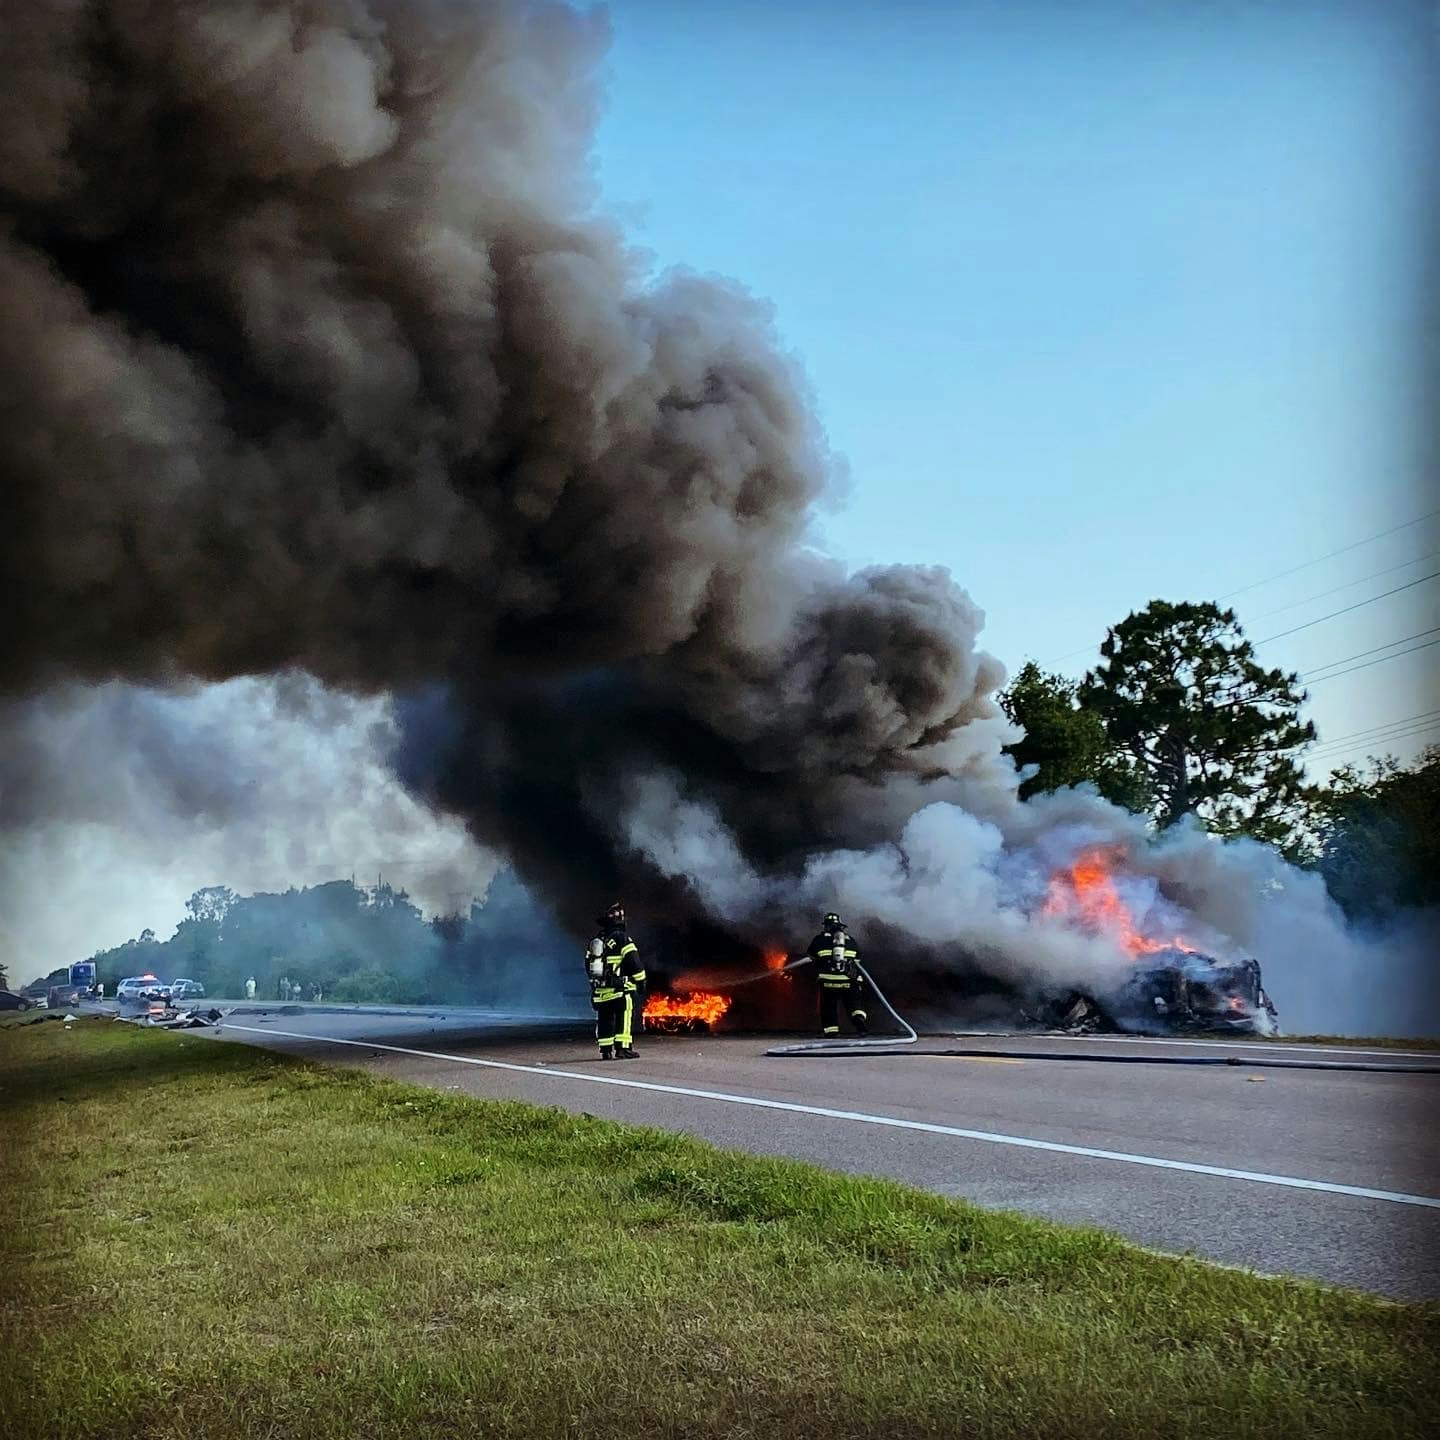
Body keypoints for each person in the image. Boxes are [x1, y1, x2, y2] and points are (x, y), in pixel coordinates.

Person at [587, 902, 646, 1059]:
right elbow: (635, 963)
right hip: (620, 990)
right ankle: (623, 1048)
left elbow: (588, 964)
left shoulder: (597, 940)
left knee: (604, 1019)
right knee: (623, 1017)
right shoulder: (622, 938)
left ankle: (605, 1050)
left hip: (600, 991)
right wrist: (641, 981)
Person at [805, 912, 867, 1038]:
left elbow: (811, 955)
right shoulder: (850, 940)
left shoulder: (819, 939)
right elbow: (858, 959)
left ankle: (831, 1032)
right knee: (854, 1004)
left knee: (829, 1007)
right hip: (849, 980)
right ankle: (859, 1022)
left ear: (826, 926)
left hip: (828, 981)